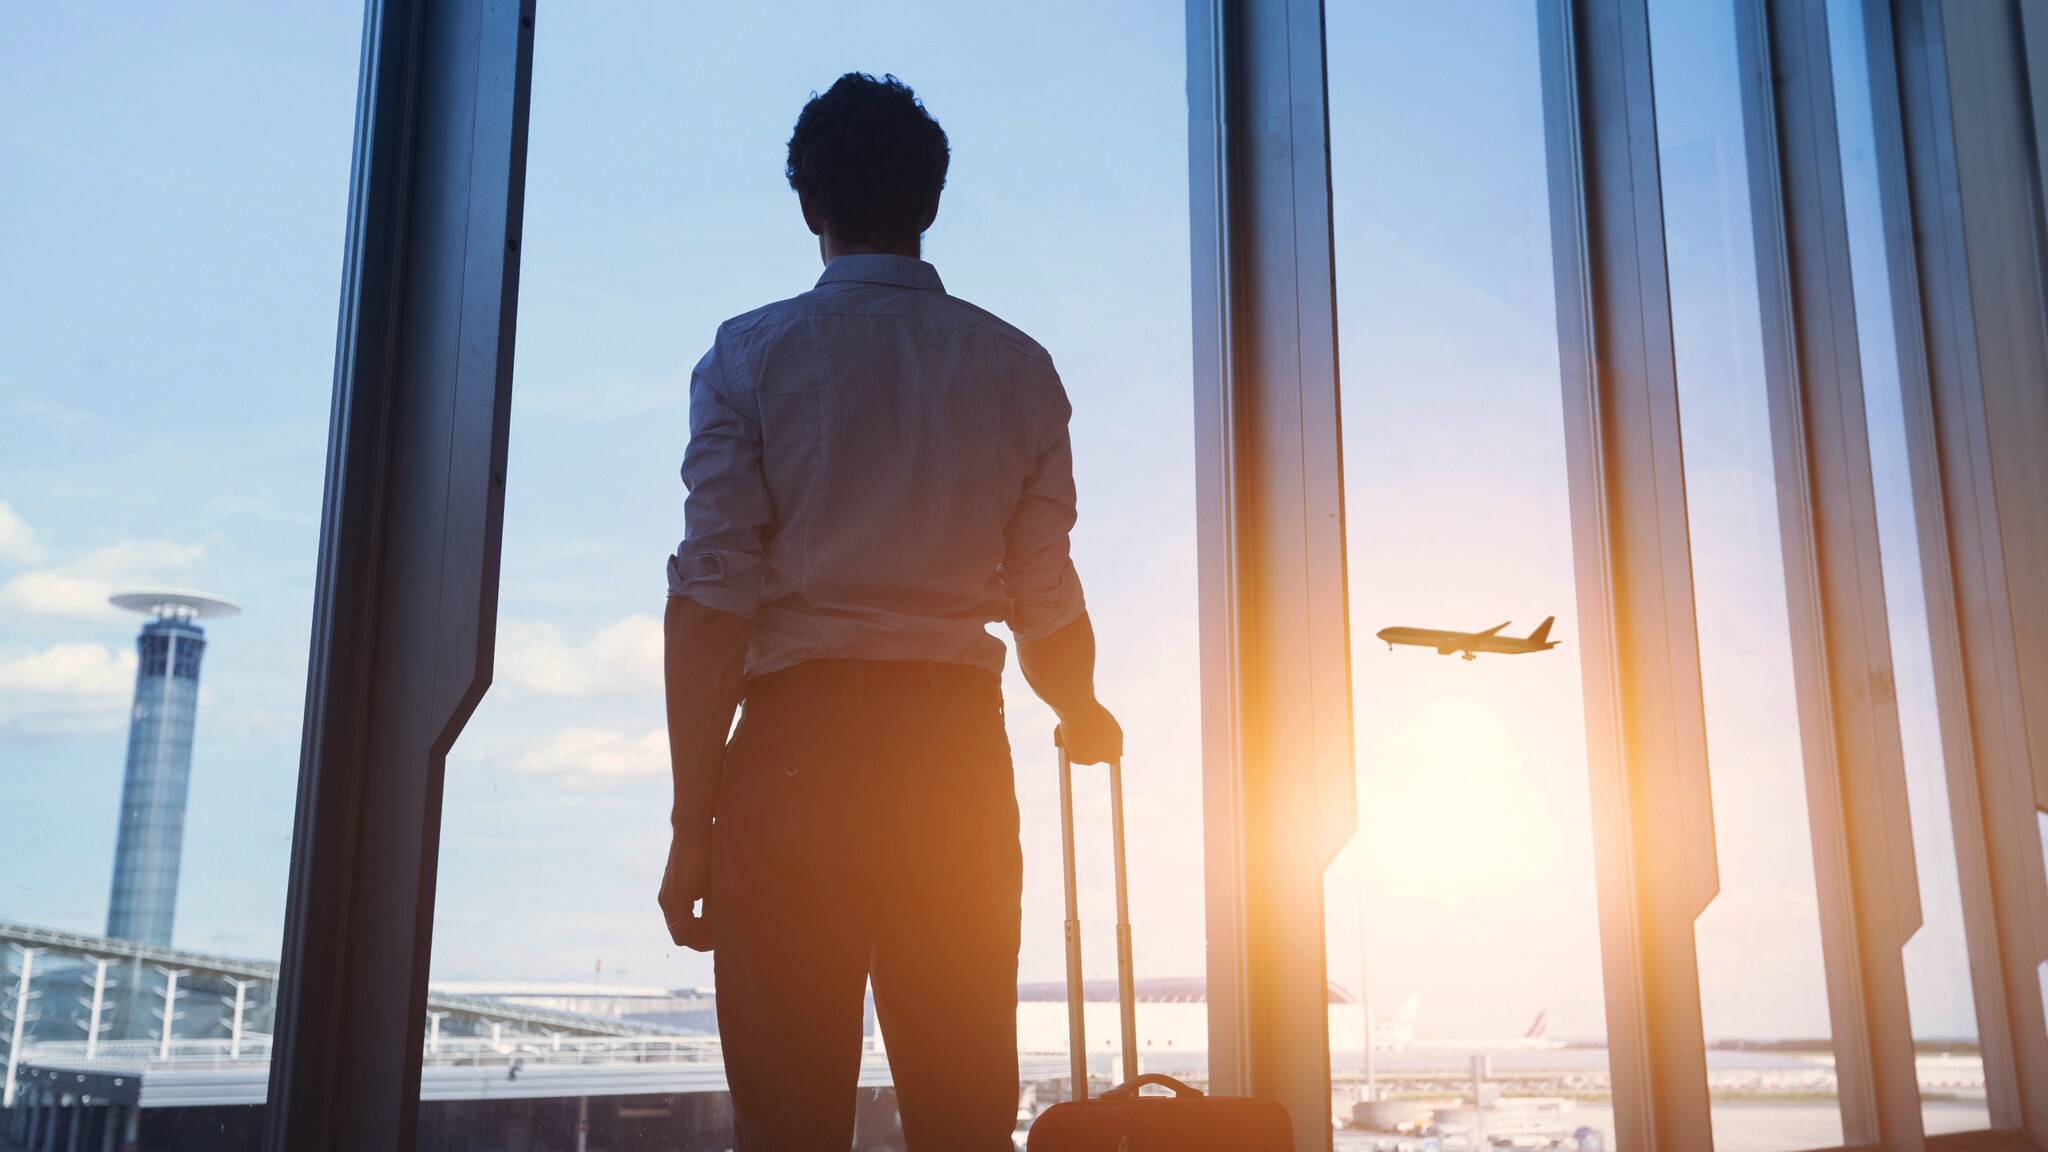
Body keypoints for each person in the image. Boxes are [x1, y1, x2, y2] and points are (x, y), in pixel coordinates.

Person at [656, 72, 1123, 1151]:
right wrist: (1082, 709)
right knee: (962, 1108)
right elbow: (1044, 595)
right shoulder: (1017, 369)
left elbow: (710, 603)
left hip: (791, 753)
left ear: (808, 206)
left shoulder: (748, 355)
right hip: (949, 752)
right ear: (931, 202)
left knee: (787, 1116)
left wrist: (693, 826)